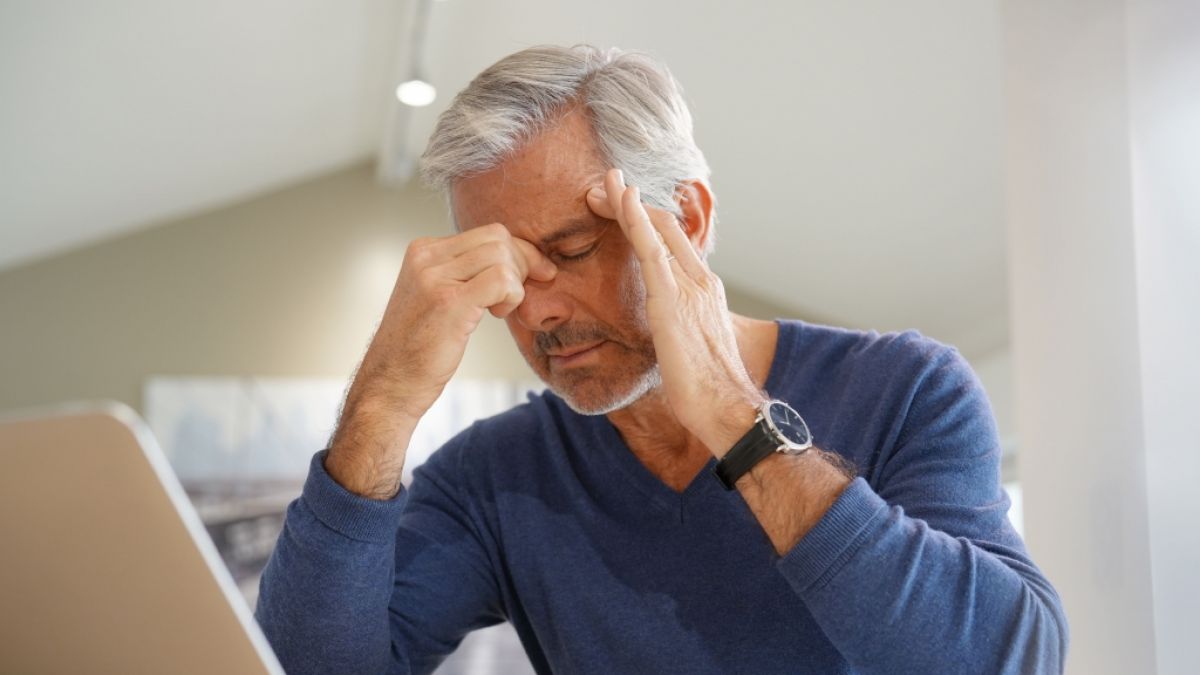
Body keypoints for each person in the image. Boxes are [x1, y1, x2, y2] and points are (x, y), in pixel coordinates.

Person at [254, 44, 1068, 674]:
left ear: (690, 217)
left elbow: (1009, 658)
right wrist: (382, 404)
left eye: (571, 250)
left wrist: (732, 417)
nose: (537, 312)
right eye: (505, 278)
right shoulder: (497, 478)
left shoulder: (906, 390)